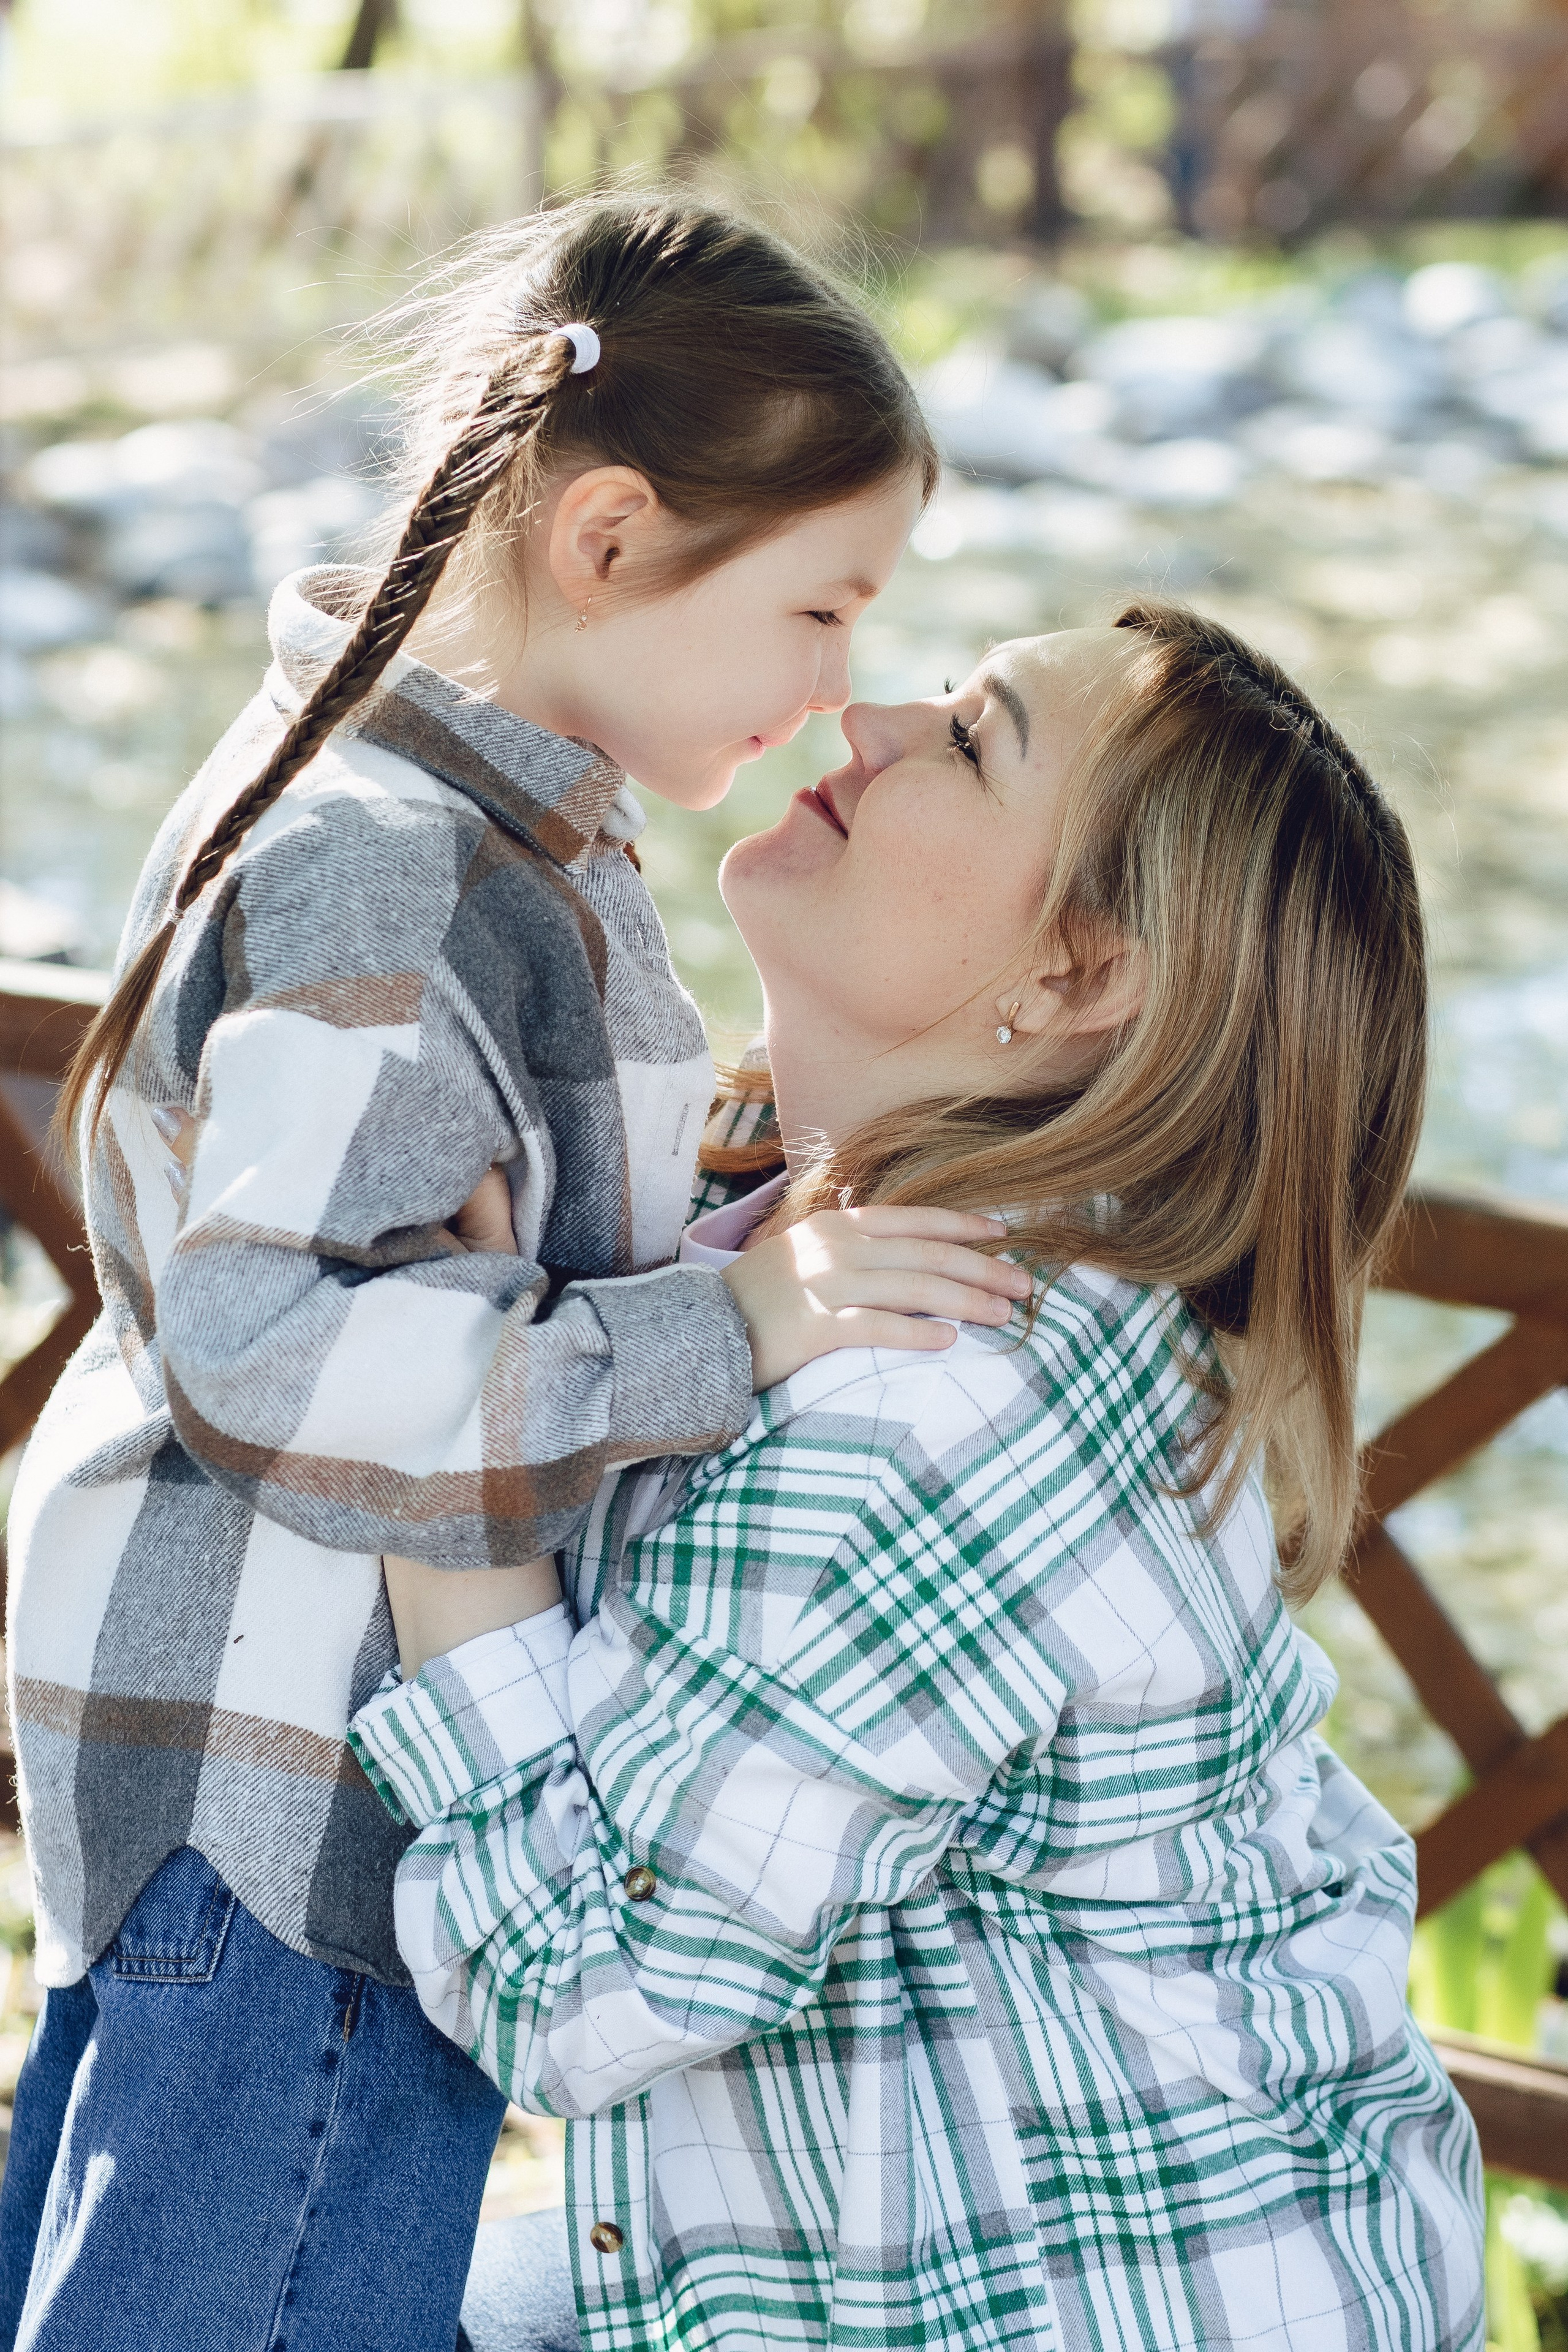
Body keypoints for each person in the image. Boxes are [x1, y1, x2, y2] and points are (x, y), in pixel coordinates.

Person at [0, 195, 1028, 2352]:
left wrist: (738, 1199)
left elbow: (480, 1196)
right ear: (612, 537)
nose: (842, 691)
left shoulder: (474, 800)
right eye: (820, 609)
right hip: (292, 1796)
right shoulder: (393, 870)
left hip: (233, 1764)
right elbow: (269, 1345)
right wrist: (725, 1321)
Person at [353, 605, 1486, 2352]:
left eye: (969, 737)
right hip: (989, 2229)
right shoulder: (911, 1262)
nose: (864, 716)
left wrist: (453, 1454)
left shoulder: (939, 1395)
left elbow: (570, 1992)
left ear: (1075, 976)